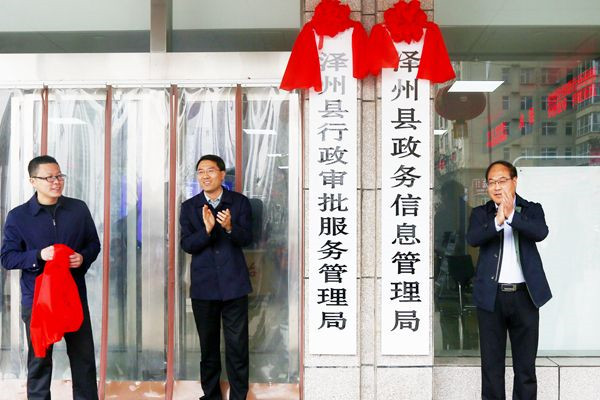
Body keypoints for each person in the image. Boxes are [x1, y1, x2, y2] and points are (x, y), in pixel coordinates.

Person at [0, 155, 100, 400]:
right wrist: (38, 255)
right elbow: (8, 258)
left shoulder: (78, 209)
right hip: (38, 301)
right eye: (48, 178)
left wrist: (83, 257)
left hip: (72, 297)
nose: (56, 182)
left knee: (84, 359)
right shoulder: (18, 216)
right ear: (33, 181)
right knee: (40, 361)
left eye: (59, 176)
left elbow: (93, 244)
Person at [467, 160, 551, 400]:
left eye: (502, 181)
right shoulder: (481, 214)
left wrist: (512, 215)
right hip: (491, 298)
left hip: (526, 297)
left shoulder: (532, 210)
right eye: (491, 182)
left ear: (514, 181)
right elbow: (473, 238)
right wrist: (498, 220)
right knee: (491, 366)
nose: (496, 187)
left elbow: (540, 232)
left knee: (525, 367)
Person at [180, 154, 253, 400]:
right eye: (200, 172)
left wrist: (230, 227)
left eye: (210, 170)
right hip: (204, 287)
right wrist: (207, 230)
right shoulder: (189, 207)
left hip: (235, 285)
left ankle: (238, 396)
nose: (205, 176)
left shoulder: (239, 203)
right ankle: (211, 396)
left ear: (222, 174)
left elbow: (248, 239)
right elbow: (187, 245)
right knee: (208, 348)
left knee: (237, 347)